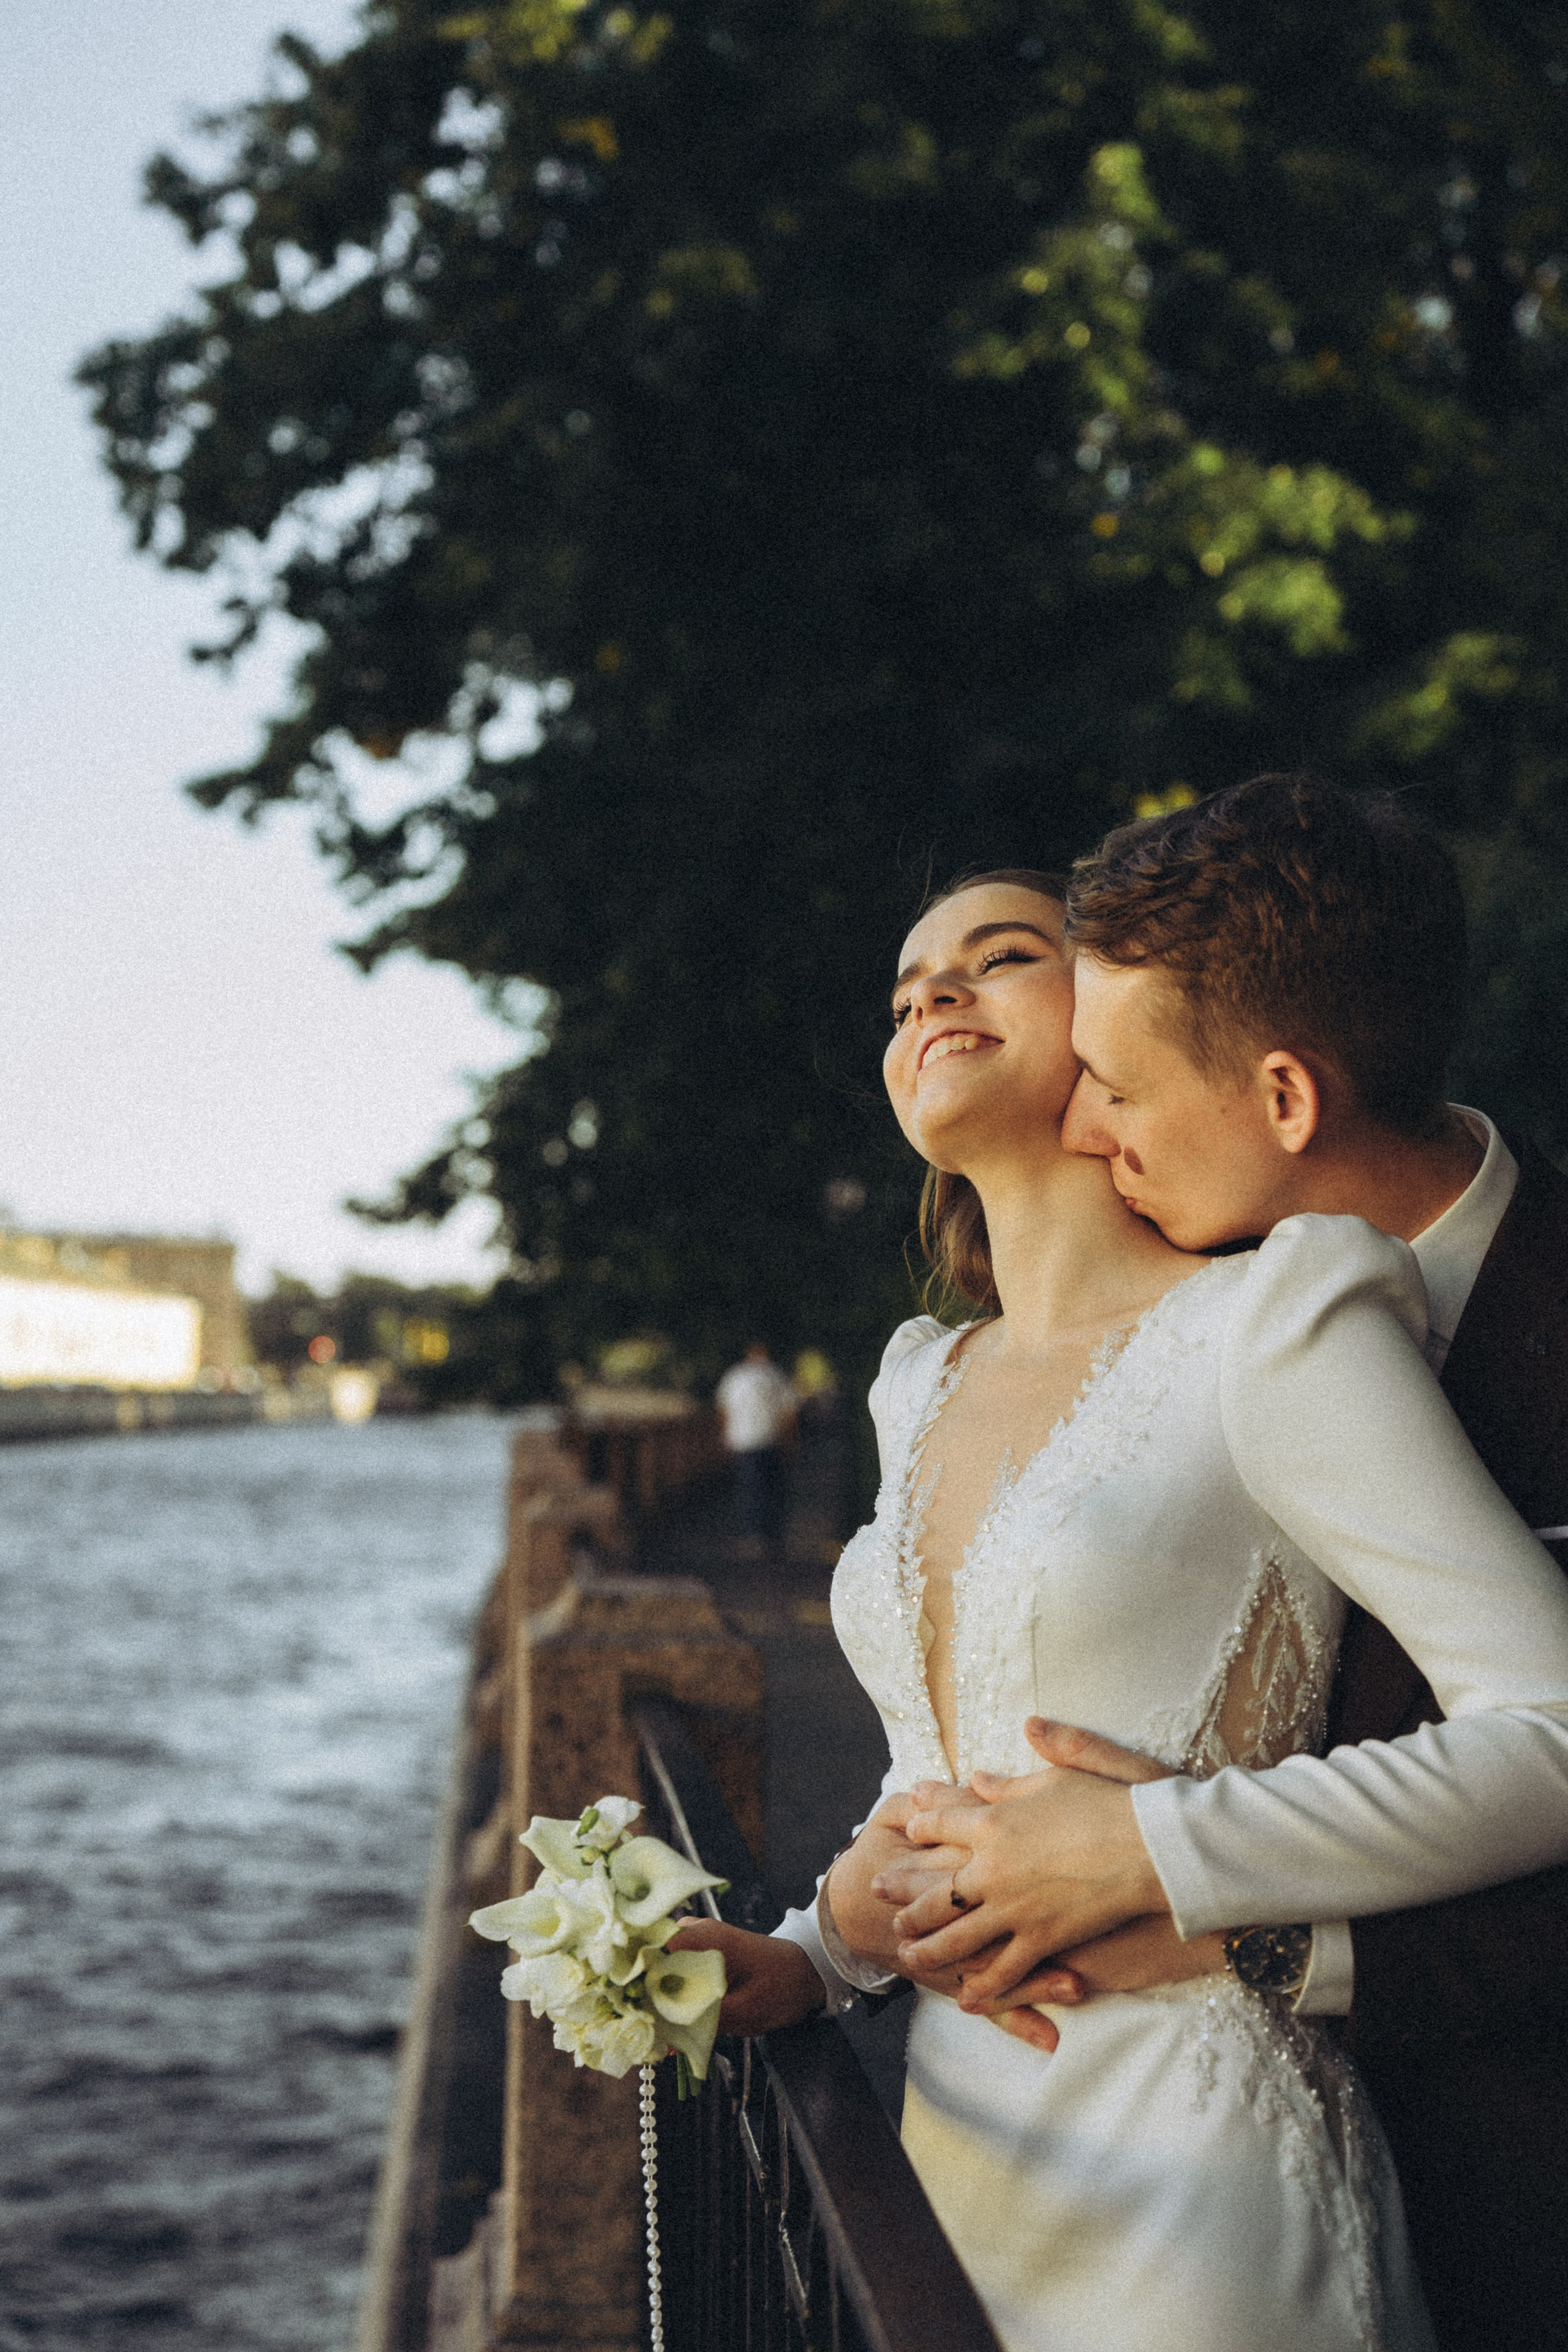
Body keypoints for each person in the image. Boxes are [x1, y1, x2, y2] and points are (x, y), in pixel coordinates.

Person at [669, 848, 1568, 2352]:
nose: (932, 992)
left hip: (1194, 2167)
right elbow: (942, 1758)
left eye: (998, 954)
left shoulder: (1278, 1315)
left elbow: (1549, 1723)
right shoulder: (916, 1373)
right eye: (903, 990)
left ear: (1103, 1027)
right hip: (956, 2136)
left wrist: (1153, 1843)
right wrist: (819, 1947)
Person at [715, 1340, 796, 1553]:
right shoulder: (776, 1376)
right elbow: (789, 1412)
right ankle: (770, 1534)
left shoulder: (735, 1377)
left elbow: (724, 1408)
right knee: (772, 1488)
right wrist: (790, 1440)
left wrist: (726, 1435)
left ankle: (754, 1534)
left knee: (750, 1488)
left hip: (743, 1440)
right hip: (770, 1439)